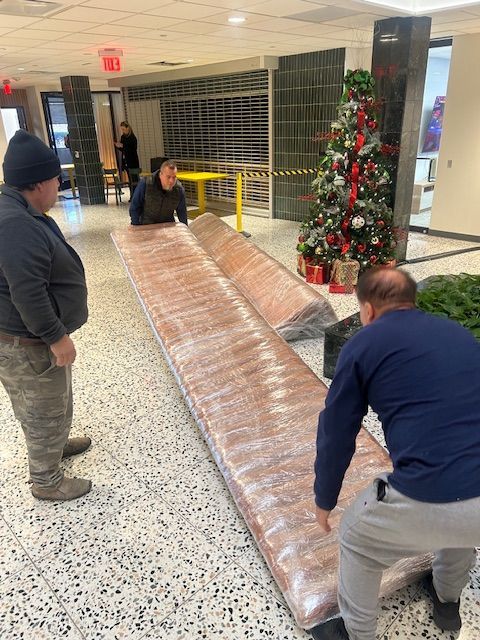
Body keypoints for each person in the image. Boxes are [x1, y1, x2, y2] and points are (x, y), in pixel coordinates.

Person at [312, 267, 480, 640]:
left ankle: (356, 633)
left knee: (356, 541)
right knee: (463, 510)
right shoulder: (458, 334)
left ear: (367, 311)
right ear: (412, 302)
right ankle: (447, 601)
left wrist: (325, 499)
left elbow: (338, 430)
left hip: (427, 492)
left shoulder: (362, 344)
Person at [0, 130, 92, 502]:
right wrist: (56, 336)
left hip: (26, 336)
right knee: (42, 409)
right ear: (37, 182)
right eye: (56, 179)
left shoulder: (19, 210)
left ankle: (54, 444)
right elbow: (28, 291)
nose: (60, 186)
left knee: (48, 402)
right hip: (28, 340)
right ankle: (47, 481)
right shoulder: (16, 224)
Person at [129, 159, 188, 226]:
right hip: (146, 225)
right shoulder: (146, 183)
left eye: (174, 177)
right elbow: (134, 207)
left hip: (167, 225)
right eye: (168, 177)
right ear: (160, 175)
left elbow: (182, 212)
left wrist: (186, 231)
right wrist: (136, 227)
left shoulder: (179, 189)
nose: (171, 181)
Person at [114, 121, 140, 201]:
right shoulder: (123, 137)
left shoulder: (132, 138)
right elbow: (123, 149)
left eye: (124, 129)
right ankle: (132, 196)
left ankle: (136, 196)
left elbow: (132, 150)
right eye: (121, 129)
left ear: (128, 128)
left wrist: (123, 146)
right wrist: (118, 146)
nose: (123, 131)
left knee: (134, 179)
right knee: (130, 179)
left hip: (133, 160)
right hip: (126, 160)